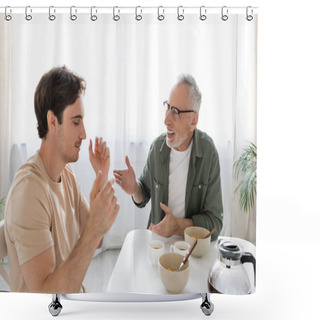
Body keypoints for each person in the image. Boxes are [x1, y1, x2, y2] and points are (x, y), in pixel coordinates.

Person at [4, 66, 119, 293]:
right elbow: (45, 299)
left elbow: (97, 241)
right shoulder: (29, 192)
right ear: (53, 121)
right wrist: (94, 231)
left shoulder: (66, 175)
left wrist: (101, 175)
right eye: (76, 122)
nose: (84, 133)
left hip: (72, 301)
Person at [114, 74, 223, 240]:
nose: (166, 120)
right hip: (158, 243)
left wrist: (177, 226)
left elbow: (215, 223)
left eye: (176, 112)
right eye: (167, 107)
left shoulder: (208, 152)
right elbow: (144, 193)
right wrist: (134, 188)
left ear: (193, 121)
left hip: (192, 245)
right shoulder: (157, 147)